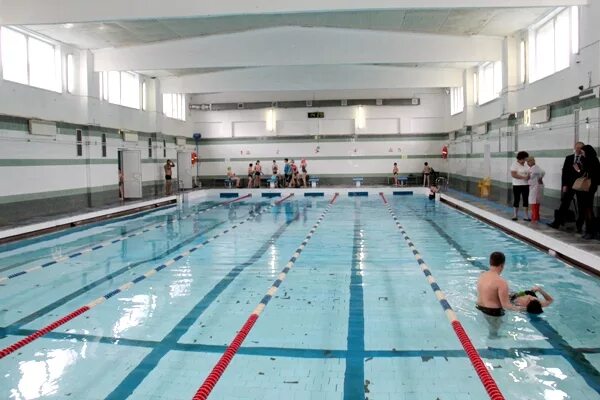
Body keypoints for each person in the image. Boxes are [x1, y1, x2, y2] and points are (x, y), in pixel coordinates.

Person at [549, 142, 585, 231]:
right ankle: (557, 223)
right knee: (564, 204)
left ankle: (579, 226)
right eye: (577, 147)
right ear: (574, 147)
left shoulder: (585, 159)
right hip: (569, 185)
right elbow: (565, 172)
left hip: (580, 185)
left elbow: (585, 173)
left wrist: (579, 170)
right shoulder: (569, 158)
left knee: (581, 205)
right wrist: (564, 185)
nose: (578, 149)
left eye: (580, 148)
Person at [579, 145, 600, 239]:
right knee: (587, 208)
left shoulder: (592, 160)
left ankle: (590, 231)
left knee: (588, 209)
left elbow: (589, 173)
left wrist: (579, 169)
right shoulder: (590, 159)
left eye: (583, 152)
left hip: (590, 187)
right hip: (589, 187)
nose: (582, 154)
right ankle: (590, 230)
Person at [510, 151, 531, 221]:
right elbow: (513, 175)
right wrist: (524, 177)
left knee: (525, 200)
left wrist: (529, 176)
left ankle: (526, 216)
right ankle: (515, 215)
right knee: (517, 199)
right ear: (522, 158)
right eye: (525, 158)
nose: (526, 160)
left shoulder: (526, 165)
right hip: (517, 185)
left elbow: (529, 173)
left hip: (526, 185)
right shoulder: (514, 164)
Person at [527, 157, 545, 223]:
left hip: (536, 187)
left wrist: (539, 178)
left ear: (532, 161)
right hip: (535, 186)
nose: (527, 163)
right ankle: (536, 216)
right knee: (535, 202)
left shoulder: (535, 168)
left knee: (534, 202)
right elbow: (543, 172)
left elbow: (529, 177)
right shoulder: (535, 168)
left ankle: (535, 217)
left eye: (528, 162)